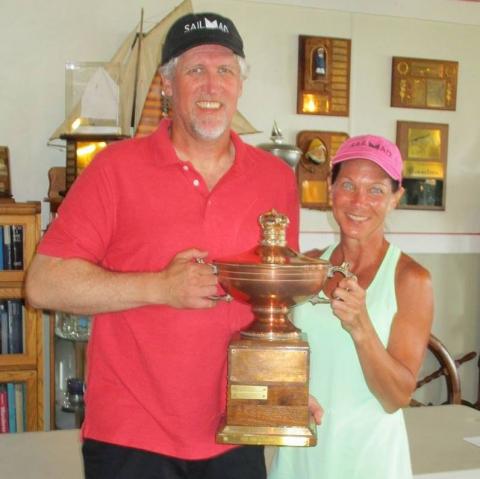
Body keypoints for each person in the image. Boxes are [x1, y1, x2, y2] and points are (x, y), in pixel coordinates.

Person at [25, 12, 301, 479]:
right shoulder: (115, 169)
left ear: (239, 84)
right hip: (130, 438)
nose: (211, 85)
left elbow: (276, 305)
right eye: (195, 71)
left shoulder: (275, 179)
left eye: (225, 70)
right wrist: (160, 287)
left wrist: (286, 387)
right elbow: (43, 285)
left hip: (236, 429)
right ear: (168, 85)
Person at [268, 134, 434, 479]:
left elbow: (396, 397)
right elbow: (279, 359)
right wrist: (283, 396)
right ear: (331, 189)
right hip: (301, 457)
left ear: (395, 199)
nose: (359, 201)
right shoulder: (307, 266)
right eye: (348, 185)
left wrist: (361, 325)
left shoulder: (411, 279)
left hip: (368, 462)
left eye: (376, 190)